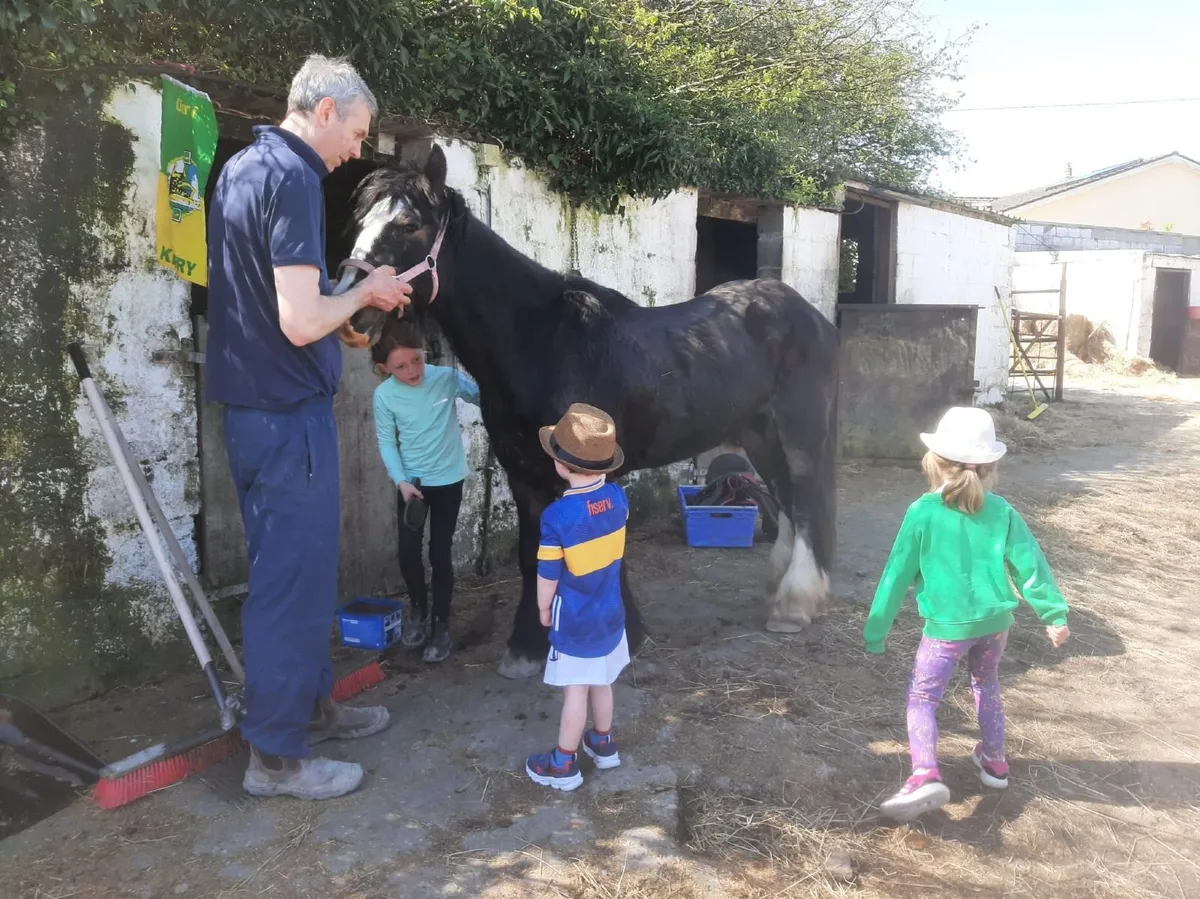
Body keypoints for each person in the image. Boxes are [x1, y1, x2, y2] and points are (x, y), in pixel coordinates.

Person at [205, 54, 412, 801]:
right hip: (288, 420)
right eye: (356, 133)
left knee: (298, 573)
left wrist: (351, 294)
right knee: (290, 586)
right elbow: (299, 321)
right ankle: (278, 760)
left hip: (260, 414)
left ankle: (312, 709)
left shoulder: (245, 168)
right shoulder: (293, 178)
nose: (357, 150)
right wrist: (368, 292)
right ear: (324, 111)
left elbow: (280, 298)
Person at [864, 406, 1071, 822]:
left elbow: (896, 575)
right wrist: (1054, 615)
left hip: (946, 628)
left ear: (934, 463)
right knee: (986, 684)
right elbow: (1030, 565)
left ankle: (925, 774)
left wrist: (876, 629)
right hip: (995, 625)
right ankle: (994, 762)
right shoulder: (1003, 512)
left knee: (923, 698)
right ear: (991, 467)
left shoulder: (922, 512)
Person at [525, 404, 630, 792]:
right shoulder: (619, 499)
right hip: (610, 614)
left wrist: (540, 607)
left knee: (576, 692)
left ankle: (562, 764)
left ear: (561, 465)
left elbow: (548, 573)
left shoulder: (558, 517)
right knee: (603, 682)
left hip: (576, 619)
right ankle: (604, 743)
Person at [371, 321, 480, 662]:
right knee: (407, 551)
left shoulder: (445, 378)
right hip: (412, 487)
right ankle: (417, 609)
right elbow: (387, 442)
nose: (412, 370)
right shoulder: (384, 395)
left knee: (440, 552)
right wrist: (401, 481)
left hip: (449, 481)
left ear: (424, 354)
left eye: (416, 360)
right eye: (401, 366)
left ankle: (441, 623)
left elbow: (481, 396)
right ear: (383, 368)